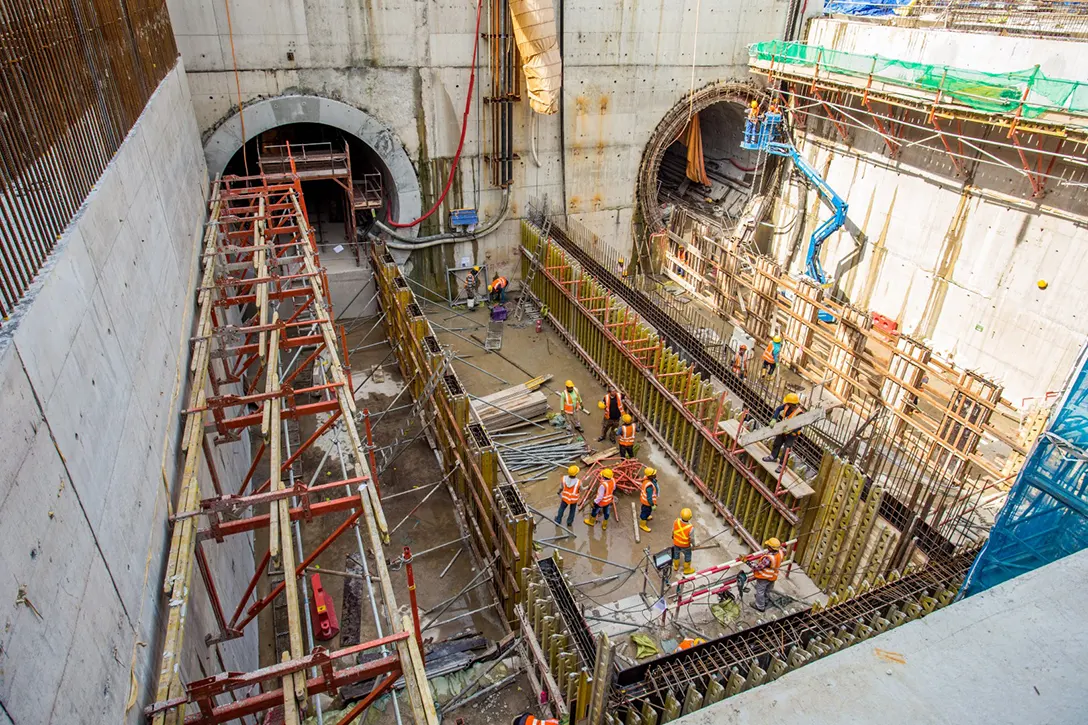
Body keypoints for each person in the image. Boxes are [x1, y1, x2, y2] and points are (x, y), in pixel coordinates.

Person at [762, 393, 802, 474]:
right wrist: (774, 419)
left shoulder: (799, 413)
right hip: (783, 429)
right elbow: (778, 409)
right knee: (777, 443)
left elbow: (800, 425)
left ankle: (782, 466)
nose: (786, 403)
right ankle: (773, 456)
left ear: (792, 403)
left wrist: (791, 430)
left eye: (788, 402)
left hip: (791, 434)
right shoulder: (787, 406)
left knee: (786, 450)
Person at [750, 537, 784, 612]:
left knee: (760, 591)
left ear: (771, 548)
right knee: (768, 590)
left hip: (764, 577)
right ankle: (765, 601)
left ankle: (760, 606)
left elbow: (758, 567)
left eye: (768, 546)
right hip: (773, 576)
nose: (767, 547)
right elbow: (784, 550)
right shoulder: (780, 552)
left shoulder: (768, 558)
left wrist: (747, 562)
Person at [671, 508, 695, 575]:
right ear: (690, 517)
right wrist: (694, 545)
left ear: (681, 515)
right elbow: (692, 539)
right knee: (688, 555)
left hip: (676, 542)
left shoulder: (676, 521)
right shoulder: (690, 528)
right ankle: (687, 569)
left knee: (676, 553)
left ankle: (675, 566)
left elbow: (673, 530)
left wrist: (673, 536)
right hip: (685, 546)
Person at [638, 467, 658, 533]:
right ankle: (642, 524)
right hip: (647, 503)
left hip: (646, 503)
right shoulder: (649, 486)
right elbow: (649, 498)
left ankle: (647, 516)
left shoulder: (647, 479)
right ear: (650, 476)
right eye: (654, 474)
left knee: (648, 511)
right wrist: (652, 505)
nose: (655, 474)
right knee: (645, 512)